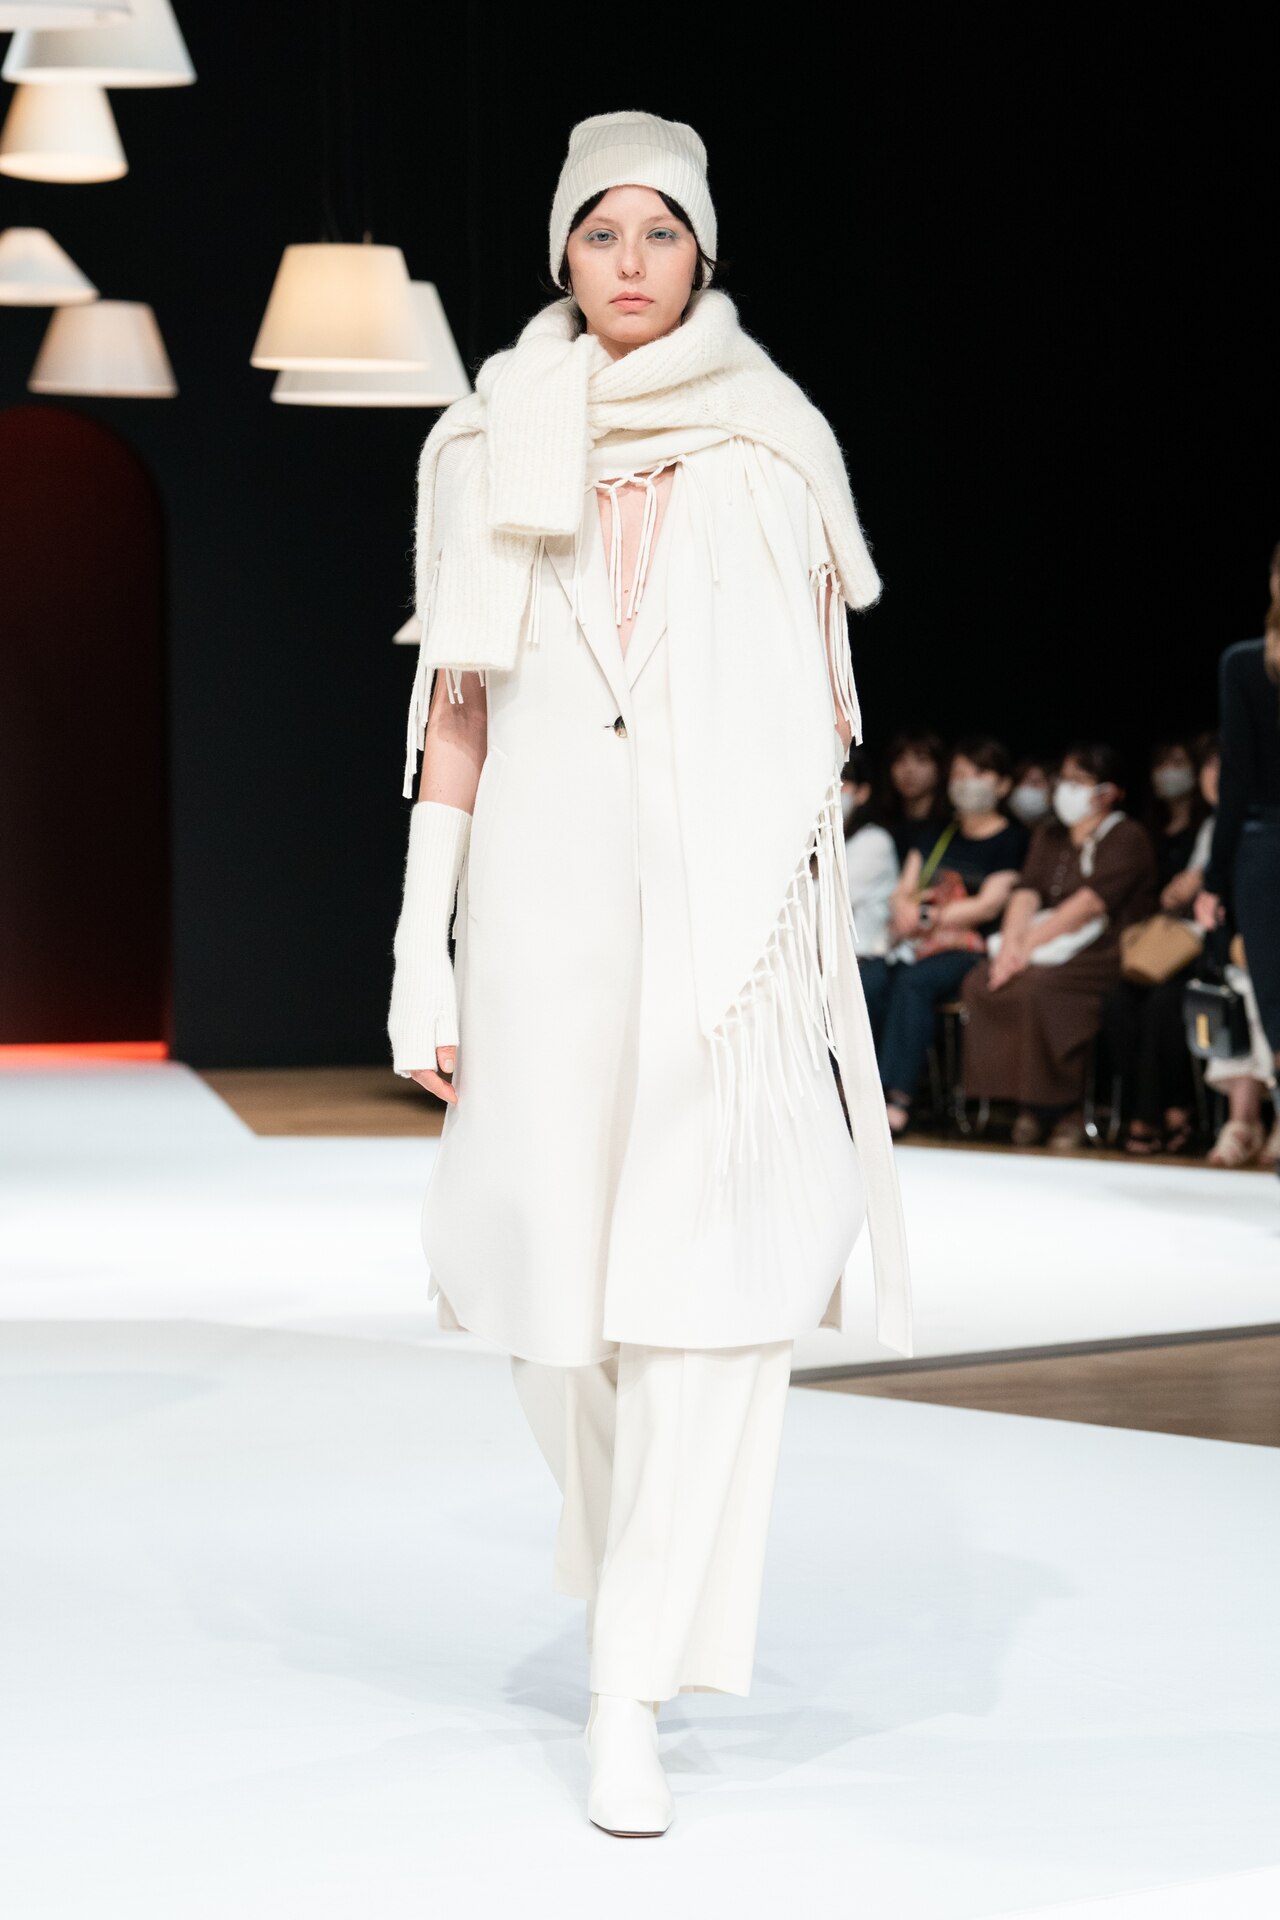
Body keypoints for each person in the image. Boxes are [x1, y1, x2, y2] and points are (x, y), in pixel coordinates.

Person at [385, 112, 913, 1838]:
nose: (631, 262)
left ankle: (627, 1684)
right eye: (601, 231)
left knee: (706, 1293)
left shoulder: (771, 443)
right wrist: (417, 945)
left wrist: (799, 939)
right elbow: (456, 711)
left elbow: (821, 720)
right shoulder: (482, 442)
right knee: (546, 1304)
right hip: (537, 924)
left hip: (720, 931)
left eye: (661, 232)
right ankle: (638, 1578)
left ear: (704, 252)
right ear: (562, 250)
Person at [959, 742, 1158, 1149]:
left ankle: (1064, 1109)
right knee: (981, 982)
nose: (1066, 789)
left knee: (1040, 988)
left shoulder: (1126, 836)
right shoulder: (1049, 834)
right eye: (1064, 779)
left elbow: (1090, 904)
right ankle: (1021, 1103)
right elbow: (1026, 892)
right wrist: (1012, 945)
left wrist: (1025, 949)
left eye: (1078, 781)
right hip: (1044, 943)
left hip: (1103, 949)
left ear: (1108, 791)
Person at [860, 736, 1027, 1135]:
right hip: (917, 943)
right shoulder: (938, 832)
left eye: (979, 773)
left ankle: (897, 1097)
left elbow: (988, 905)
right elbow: (904, 888)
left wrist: (928, 915)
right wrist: (905, 908)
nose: (967, 782)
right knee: (874, 978)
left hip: (970, 948)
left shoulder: (1012, 839)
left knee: (914, 983)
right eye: (959, 774)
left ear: (1003, 784)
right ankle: (857, 1089)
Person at [1195, 545, 1280, 1115]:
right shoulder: (1247, 664)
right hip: (1261, 848)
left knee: (1275, 1003)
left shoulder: (1244, 665)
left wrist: (1214, 878)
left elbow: (1237, 782)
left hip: (1264, 851)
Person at [1104, 733, 1218, 1155]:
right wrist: (1177, 892)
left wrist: (1199, 884)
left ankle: (1157, 1114)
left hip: (1208, 948)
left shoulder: (1223, 824)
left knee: (1164, 1005)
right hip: (1171, 942)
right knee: (1118, 1001)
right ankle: (1158, 1108)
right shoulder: (1162, 829)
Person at [841, 745, 899, 960]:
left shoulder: (875, 841)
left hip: (864, 960)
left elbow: (827, 900)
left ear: (862, 793)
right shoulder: (810, 842)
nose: (832, 790)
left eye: (842, 783)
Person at [878, 727, 950, 862]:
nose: (909, 769)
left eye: (922, 760)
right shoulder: (881, 825)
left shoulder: (951, 828)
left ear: (940, 769)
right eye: (900, 760)